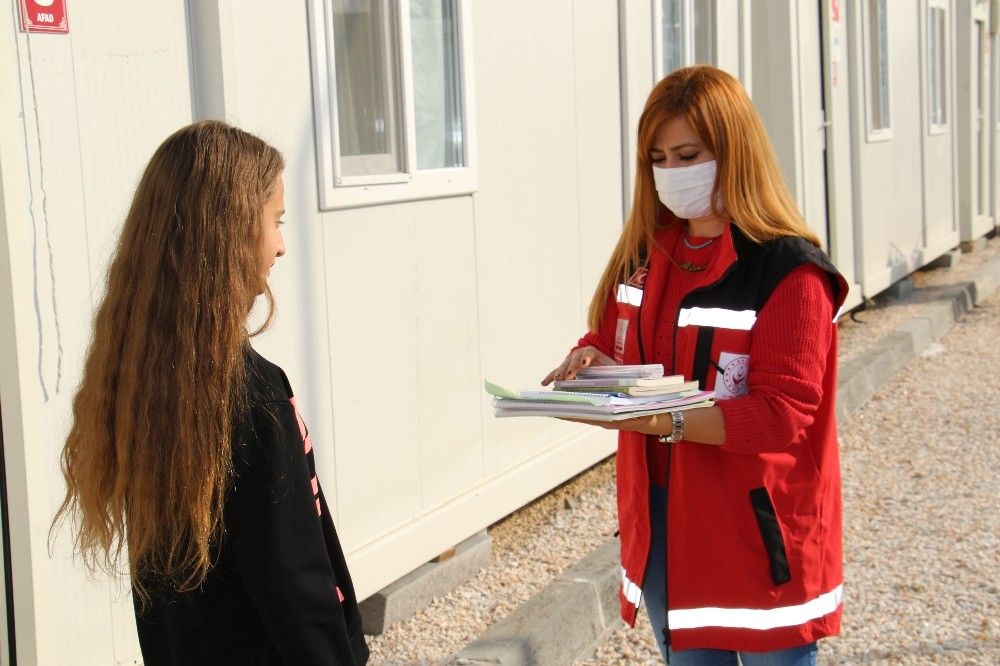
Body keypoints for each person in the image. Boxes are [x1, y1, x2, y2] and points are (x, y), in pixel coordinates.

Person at [542, 66, 846, 665]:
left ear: (735, 153)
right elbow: (609, 337)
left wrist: (664, 419)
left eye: (688, 155)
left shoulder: (789, 270)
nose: (671, 174)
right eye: (658, 159)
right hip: (661, 515)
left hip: (757, 525)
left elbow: (781, 415)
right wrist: (590, 361)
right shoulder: (644, 252)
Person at [54, 120, 369, 665]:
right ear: (229, 234)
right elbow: (295, 581)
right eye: (275, 222)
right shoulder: (253, 397)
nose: (281, 246)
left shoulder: (146, 385)